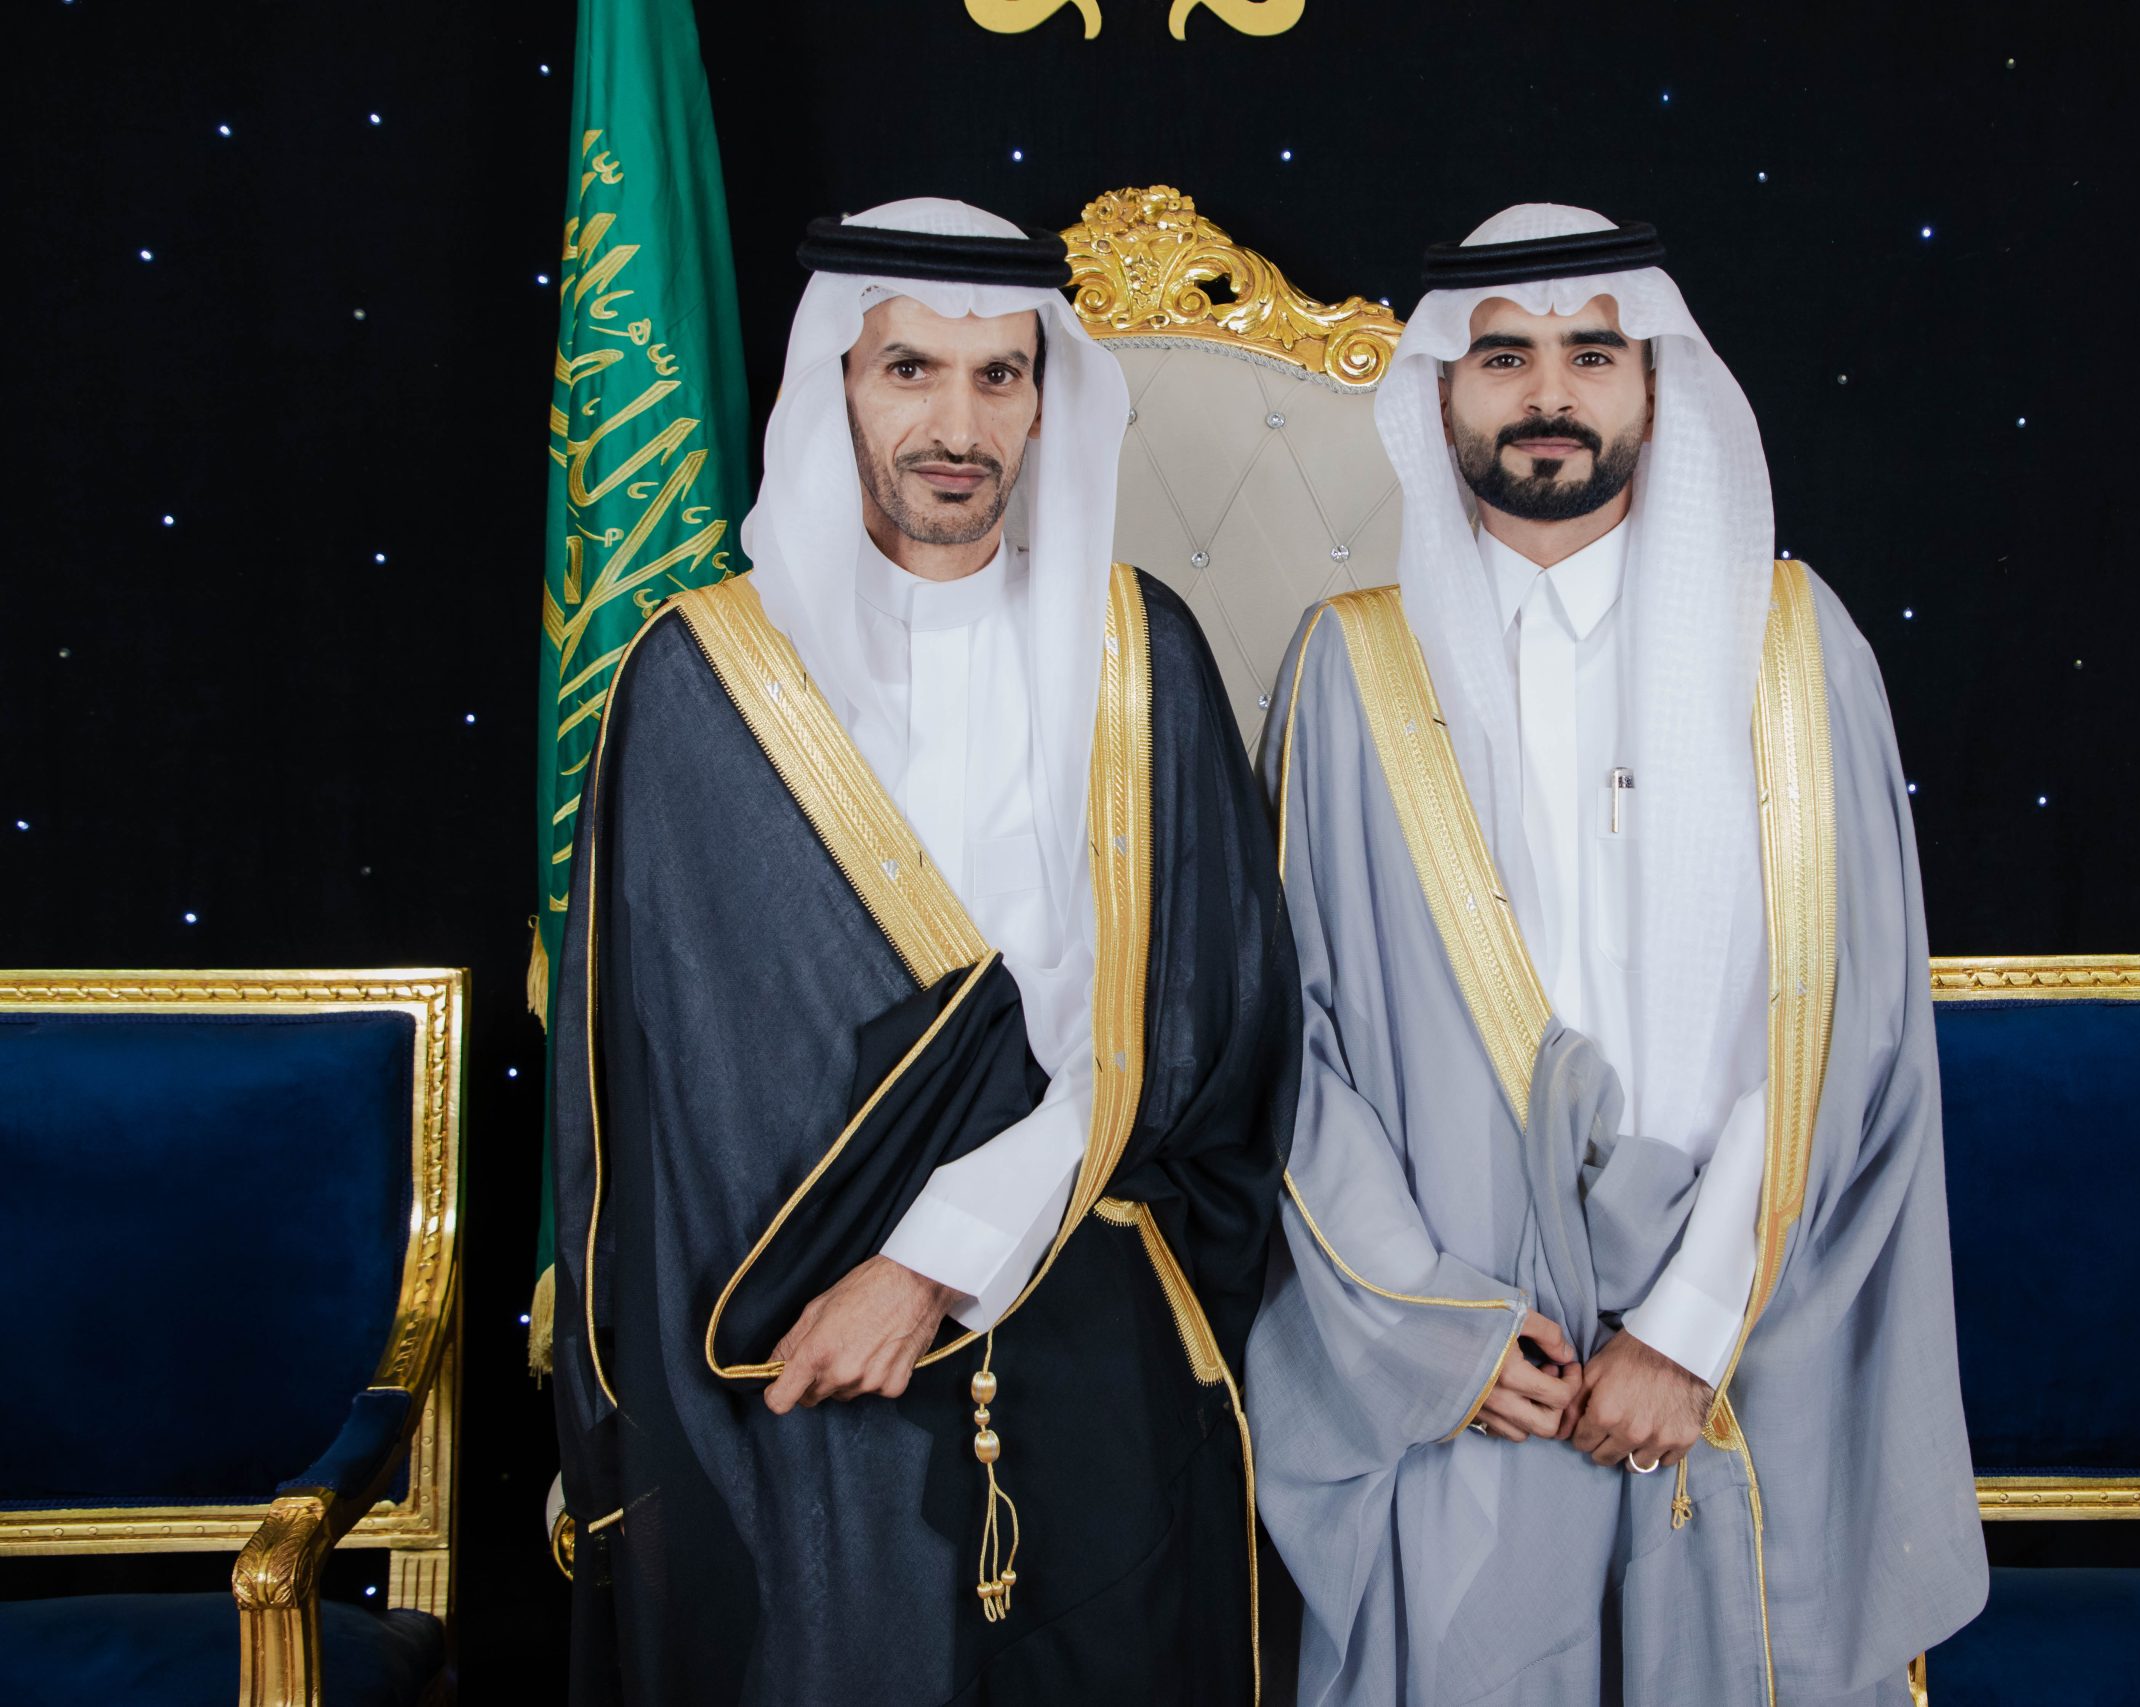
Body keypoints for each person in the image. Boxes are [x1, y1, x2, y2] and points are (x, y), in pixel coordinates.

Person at [550, 198, 1296, 1706]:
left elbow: (1190, 1035)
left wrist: (931, 1264)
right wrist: (847, 1285)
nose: (958, 427)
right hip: (773, 1312)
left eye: (999, 376)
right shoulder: (704, 676)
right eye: (911, 371)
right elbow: (662, 1095)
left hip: (1081, 1256)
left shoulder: (1140, 657)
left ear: (1044, 401)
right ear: (838, 381)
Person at [1248, 204, 1987, 1706]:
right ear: (1441, 392)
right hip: (1480, 1368)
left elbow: (1845, 1024)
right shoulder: (1348, 669)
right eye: (1503, 357)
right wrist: (1434, 1334)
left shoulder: (1794, 648)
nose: (1548, 392)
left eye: (1592, 353)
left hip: (1738, 1342)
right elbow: (1289, 1045)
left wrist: (1691, 1327)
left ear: (1655, 384)